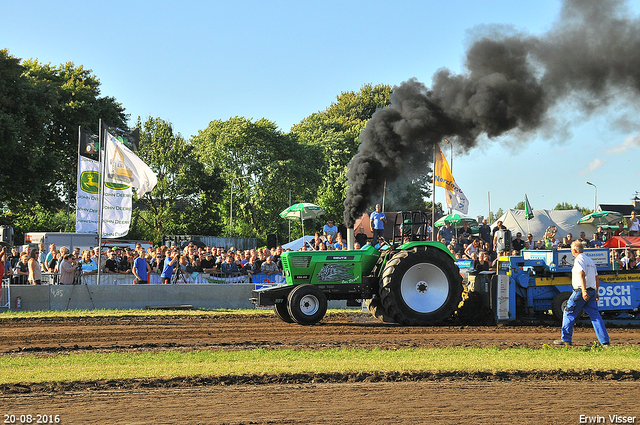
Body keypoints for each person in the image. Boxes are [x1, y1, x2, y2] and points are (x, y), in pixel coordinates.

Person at [554, 241, 610, 346]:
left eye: (571, 249)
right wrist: (596, 292)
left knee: (568, 312)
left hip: (580, 291)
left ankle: (566, 339)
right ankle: (604, 341)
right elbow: (596, 277)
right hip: (592, 290)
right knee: (595, 316)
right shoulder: (590, 260)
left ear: (574, 250)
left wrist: (584, 291)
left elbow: (581, 274)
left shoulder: (579, 260)